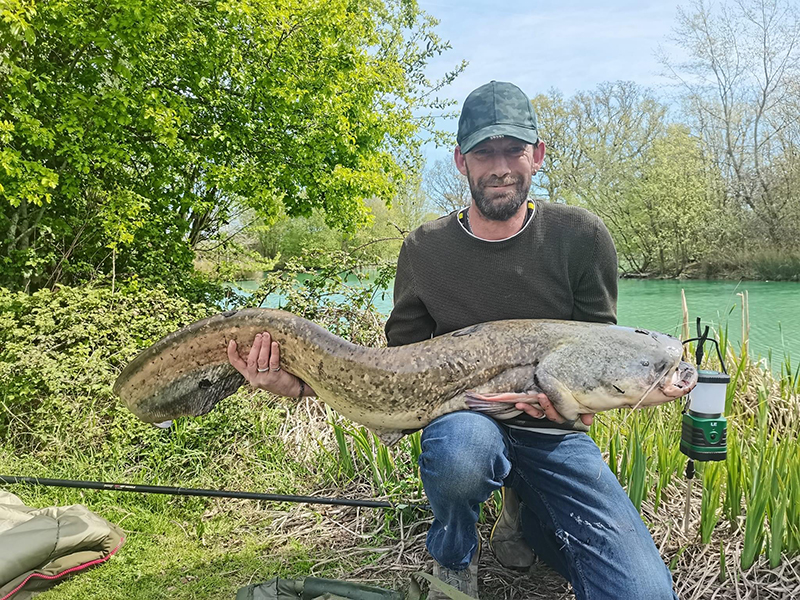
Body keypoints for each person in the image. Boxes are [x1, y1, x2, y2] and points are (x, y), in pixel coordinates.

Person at [228, 81, 679, 600]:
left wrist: (575, 407)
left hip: (553, 430)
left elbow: (601, 351)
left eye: (514, 150)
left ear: (537, 155)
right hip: (462, 422)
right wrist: (301, 385)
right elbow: (394, 371)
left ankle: (523, 516)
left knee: (643, 592)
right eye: (484, 152)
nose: (500, 167)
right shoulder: (425, 248)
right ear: (461, 161)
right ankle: (454, 554)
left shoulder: (583, 236)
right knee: (462, 454)